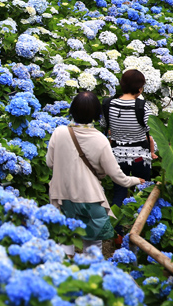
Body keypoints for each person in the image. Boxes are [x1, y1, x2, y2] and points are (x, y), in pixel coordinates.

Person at [47, 91, 145, 258]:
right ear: (96, 114)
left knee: (64, 239)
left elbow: (50, 163)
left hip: (63, 196)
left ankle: (62, 274)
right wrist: (136, 180)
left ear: (72, 110)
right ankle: (89, 277)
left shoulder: (59, 132)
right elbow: (116, 175)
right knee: (92, 246)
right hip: (90, 198)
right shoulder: (100, 139)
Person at [101, 69, 157, 208]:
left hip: (117, 157)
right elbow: (152, 131)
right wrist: (153, 150)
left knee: (119, 192)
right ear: (140, 89)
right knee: (143, 190)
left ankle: (117, 226)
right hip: (140, 158)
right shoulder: (143, 107)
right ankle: (141, 223)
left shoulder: (108, 105)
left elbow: (103, 125)